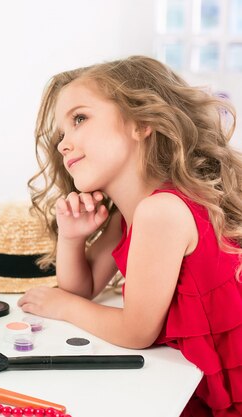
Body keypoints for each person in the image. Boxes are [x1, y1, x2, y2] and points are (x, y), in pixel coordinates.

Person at [17, 56, 242, 416]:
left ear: (141, 123)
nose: (63, 144)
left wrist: (63, 306)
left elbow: (137, 331)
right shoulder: (129, 215)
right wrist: (72, 238)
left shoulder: (161, 212)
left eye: (79, 119)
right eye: (62, 132)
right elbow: (82, 289)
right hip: (188, 375)